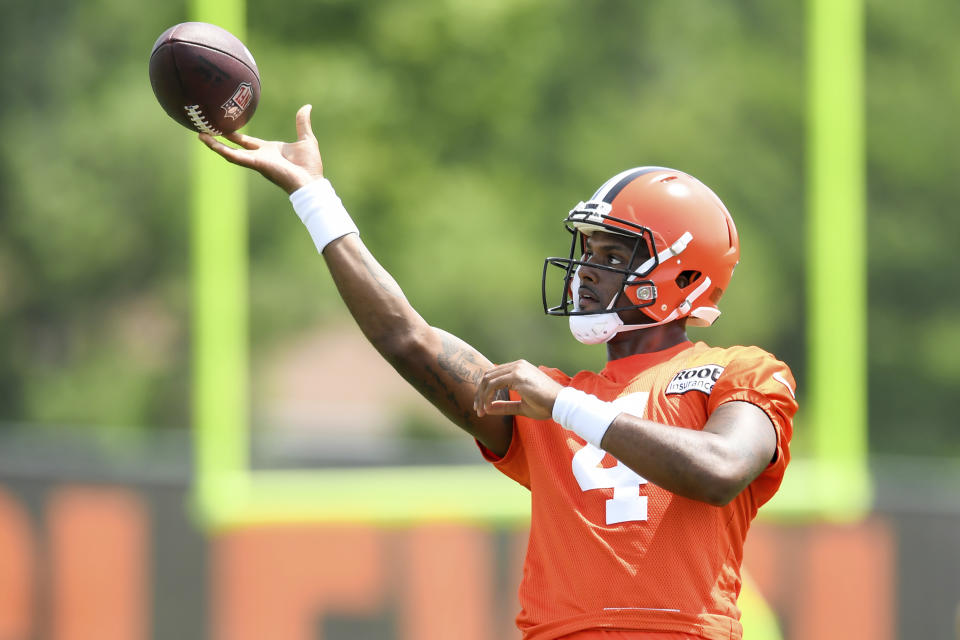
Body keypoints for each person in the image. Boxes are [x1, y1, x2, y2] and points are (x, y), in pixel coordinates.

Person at [200, 105, 797, 640]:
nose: (586, 271)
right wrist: (314, 196)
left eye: (613, 256)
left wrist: (563, 406)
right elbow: (406, 337)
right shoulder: (544, 399)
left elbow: (719, 470)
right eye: (587, 252)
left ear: (686, 278)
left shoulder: (737, 372)